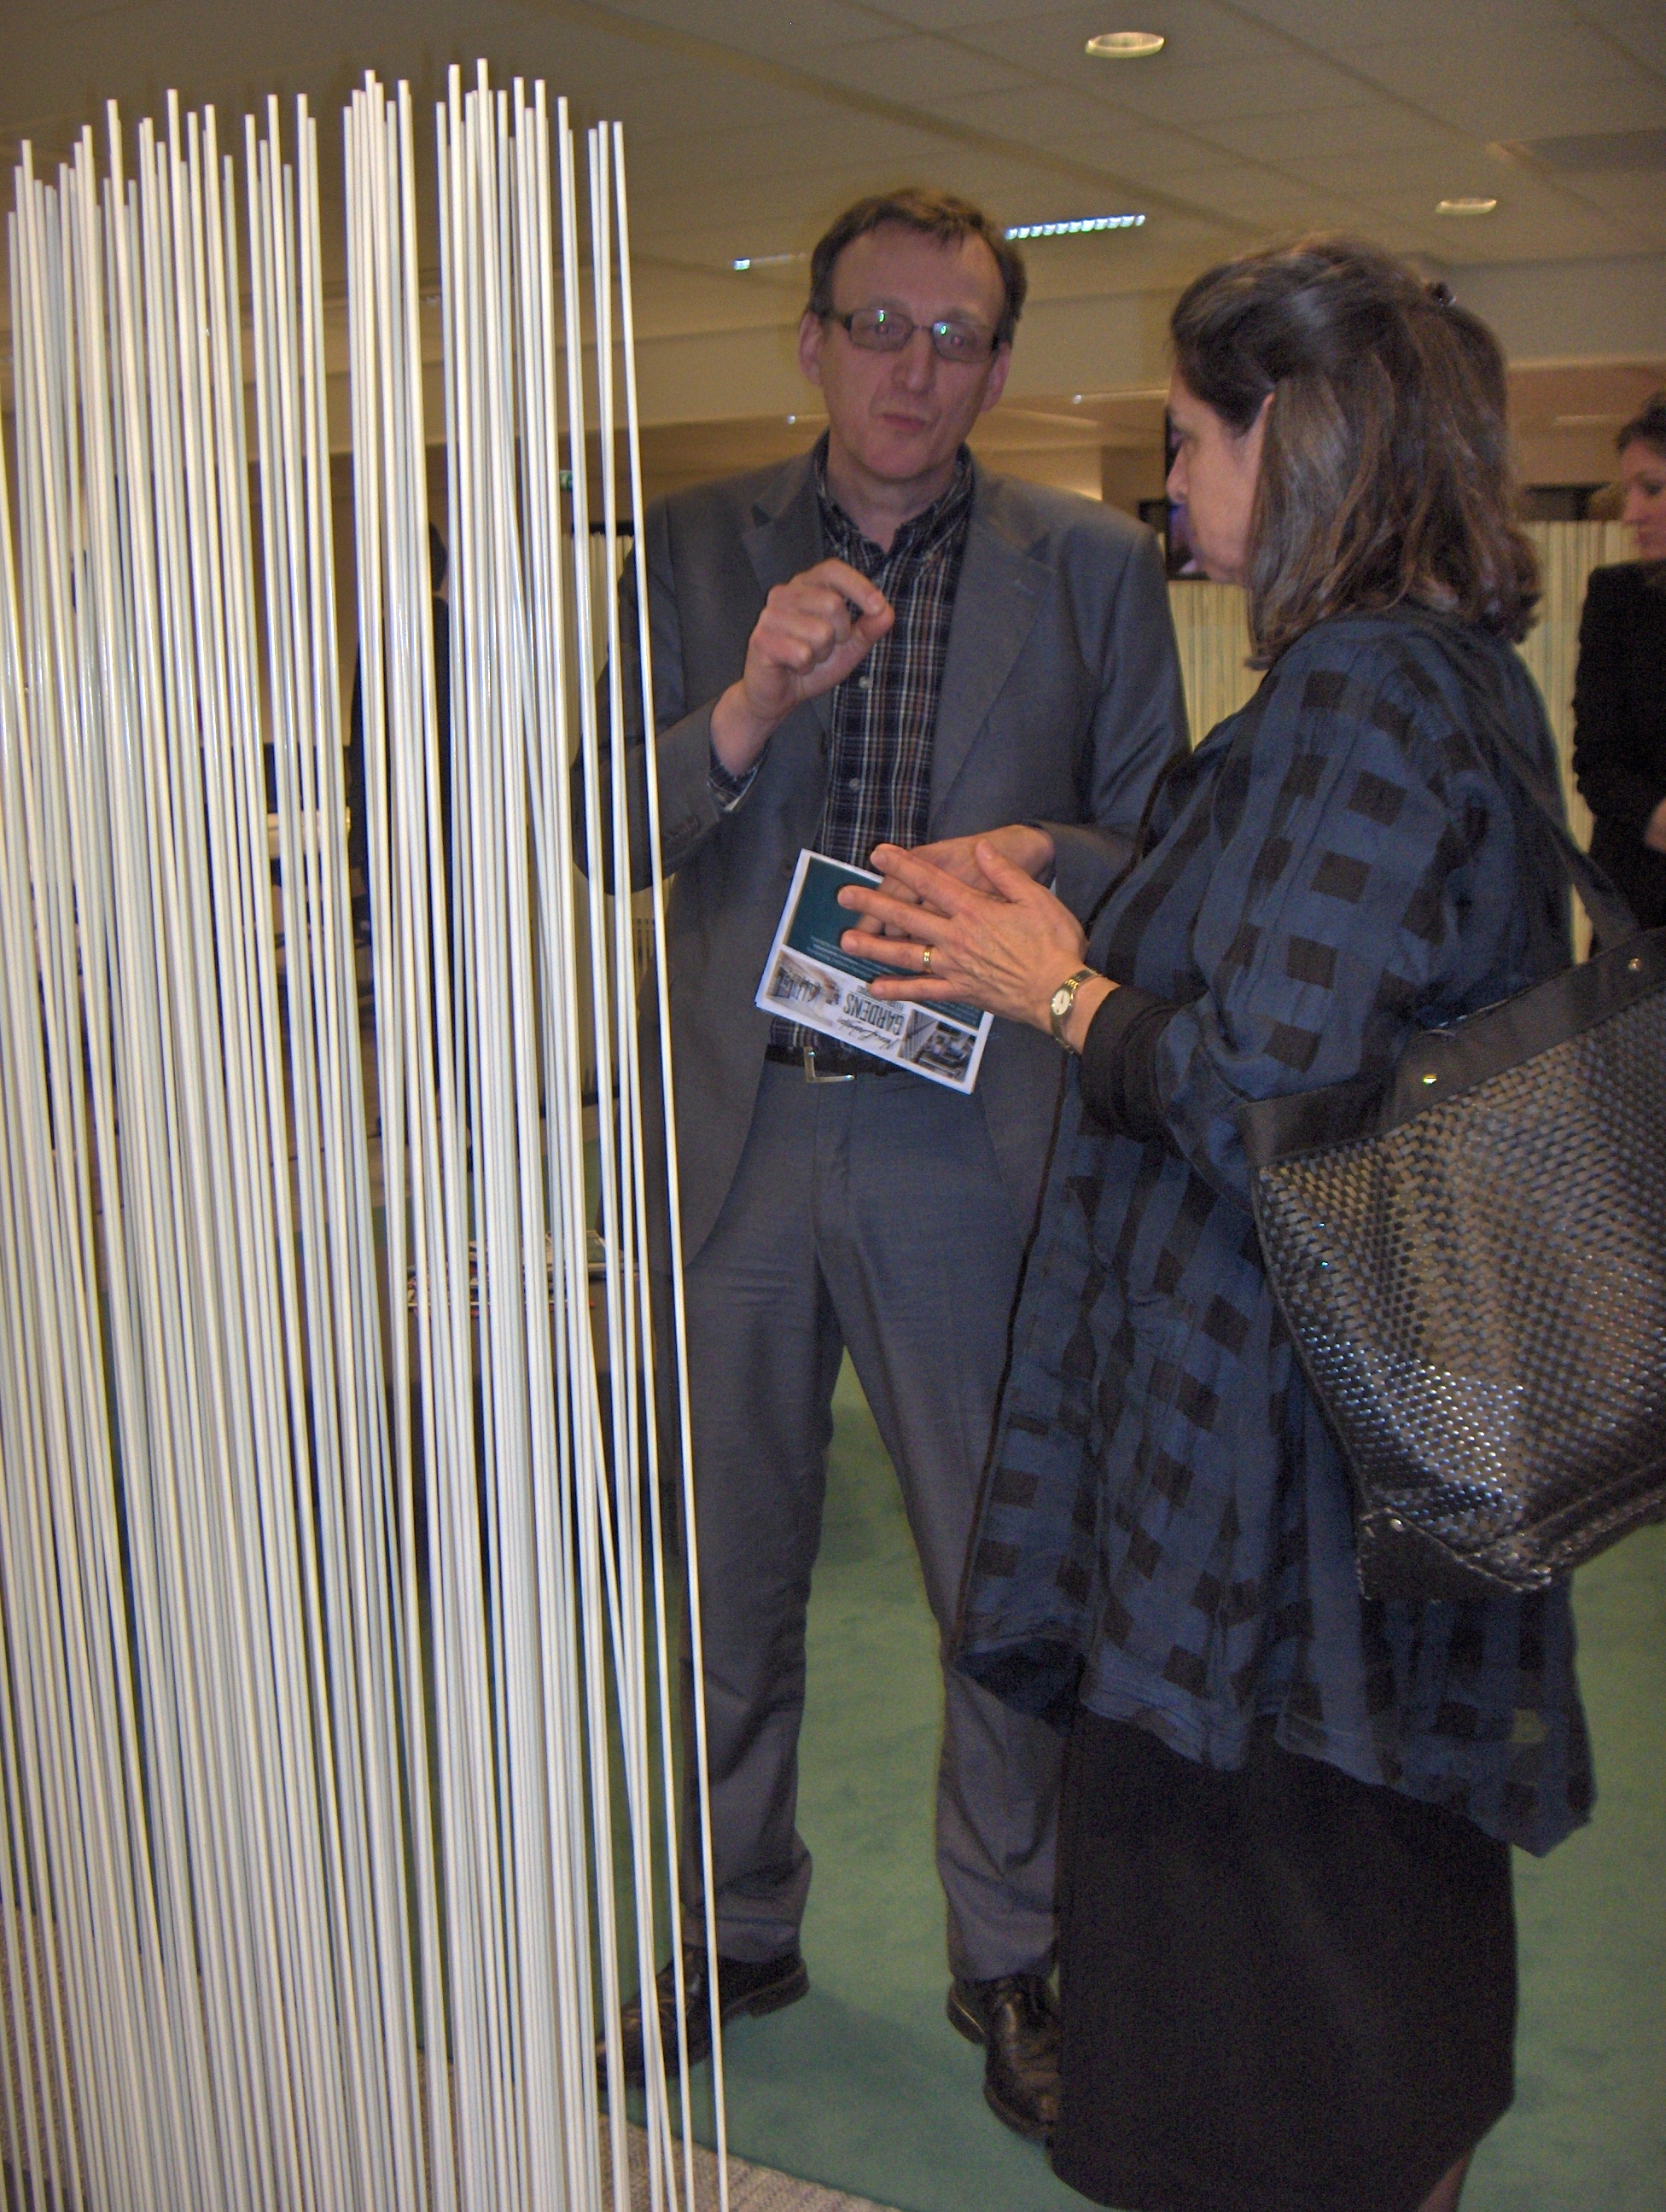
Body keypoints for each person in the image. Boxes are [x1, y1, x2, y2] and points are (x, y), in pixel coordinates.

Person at [837, 237, 1593, 2212]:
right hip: (1376, 1445)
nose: (1168, 484)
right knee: (1375, 1962)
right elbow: (1307, 953)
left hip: (1264, 1499)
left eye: (1188, 438)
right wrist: (1077, 868)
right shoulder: (1442, 672)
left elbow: (1268, 1106)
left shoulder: (1353, 694)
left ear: (1299, 443)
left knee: (1261, 2015)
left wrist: (1056, 991)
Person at [603, 187, 1186, 2140]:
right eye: (877, 327)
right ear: (810, 342)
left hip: (967, 1134)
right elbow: (592, 824)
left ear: (999, 370)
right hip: (740, 1134)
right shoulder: (693, 548)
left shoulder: (1088, 565)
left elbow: (1152, 845)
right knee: (724, 1576)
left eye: (954, 338)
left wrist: (1032, 861)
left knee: (997, 1587)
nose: (911, 370)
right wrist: (742, 708)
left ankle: (1010, 1952)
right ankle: (729, 1922)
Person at [1572, 391, 1666, 931]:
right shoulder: (1618, 599)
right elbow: (1598, 765)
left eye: (1651, 489)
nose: (1630, 515)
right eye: (1627, 491)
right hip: (1641, 913)